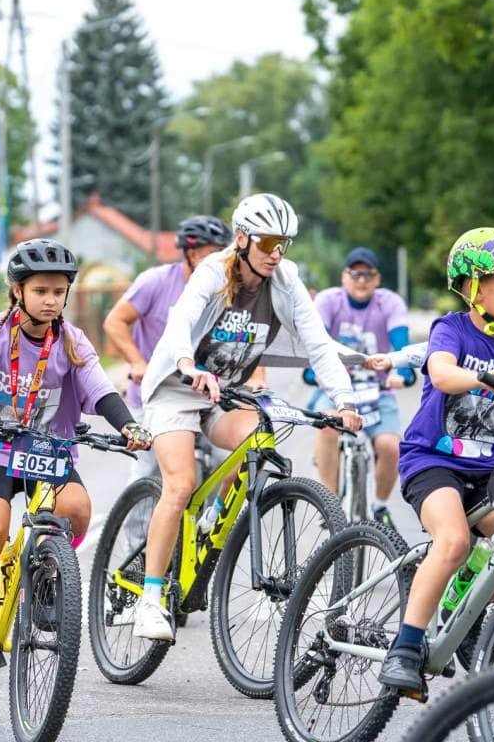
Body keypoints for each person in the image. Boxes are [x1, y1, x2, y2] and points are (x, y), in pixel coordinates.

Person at [134, 193, 363, 641]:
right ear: (242, 238)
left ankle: (214, 516)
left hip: (227, 392)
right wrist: (185, 363)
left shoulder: (285, 278)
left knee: (260, 433)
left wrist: (345, 400)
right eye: (268, 243)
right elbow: (180, 321)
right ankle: (150, 599)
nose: (277, 253)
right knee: (178, 484)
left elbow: (316, 340)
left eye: (284, 244)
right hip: (177, 391)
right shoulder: (212, 271)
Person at [0, 238, 152, 670]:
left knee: (77, 508)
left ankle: (46, 576)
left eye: (58, 291)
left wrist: (128, 425)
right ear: (17, 290)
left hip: (45, 450)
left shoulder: (73, 343)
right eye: (41, 290)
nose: (51, 300)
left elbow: (101, 390)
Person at [379, 227, 494, 693]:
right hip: (434, 461)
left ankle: (470, 602)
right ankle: (404, 649)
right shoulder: (453, 329)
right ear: (475, 286)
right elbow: (441, 373)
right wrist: (485, 375)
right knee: (453, 540)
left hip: (488, 471)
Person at [103, 215, 235, 483]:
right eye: (213, 253)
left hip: (207, 397)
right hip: (154, 394)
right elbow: (114, 321)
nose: (221, 260)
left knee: (233, 464)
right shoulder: (156, 282)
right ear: (192, 253)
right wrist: (138, 362)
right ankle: (133, 524)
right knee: (146, 474)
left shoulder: (226, 288)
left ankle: (215, 524)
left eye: (224, 253)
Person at [310, 247, 415, 527]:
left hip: (377, 390)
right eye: (355, 274)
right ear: (344, 276)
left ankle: (379, 505)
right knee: (329, 427)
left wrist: (404, 373)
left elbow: (401, 343)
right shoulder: (328, 301)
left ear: (377, 278)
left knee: (391, 446)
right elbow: (314, 340)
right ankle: (330, 504)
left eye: (368, 274)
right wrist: (312, 372)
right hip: (334, 387)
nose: (361, 280)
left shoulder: (389, 303)